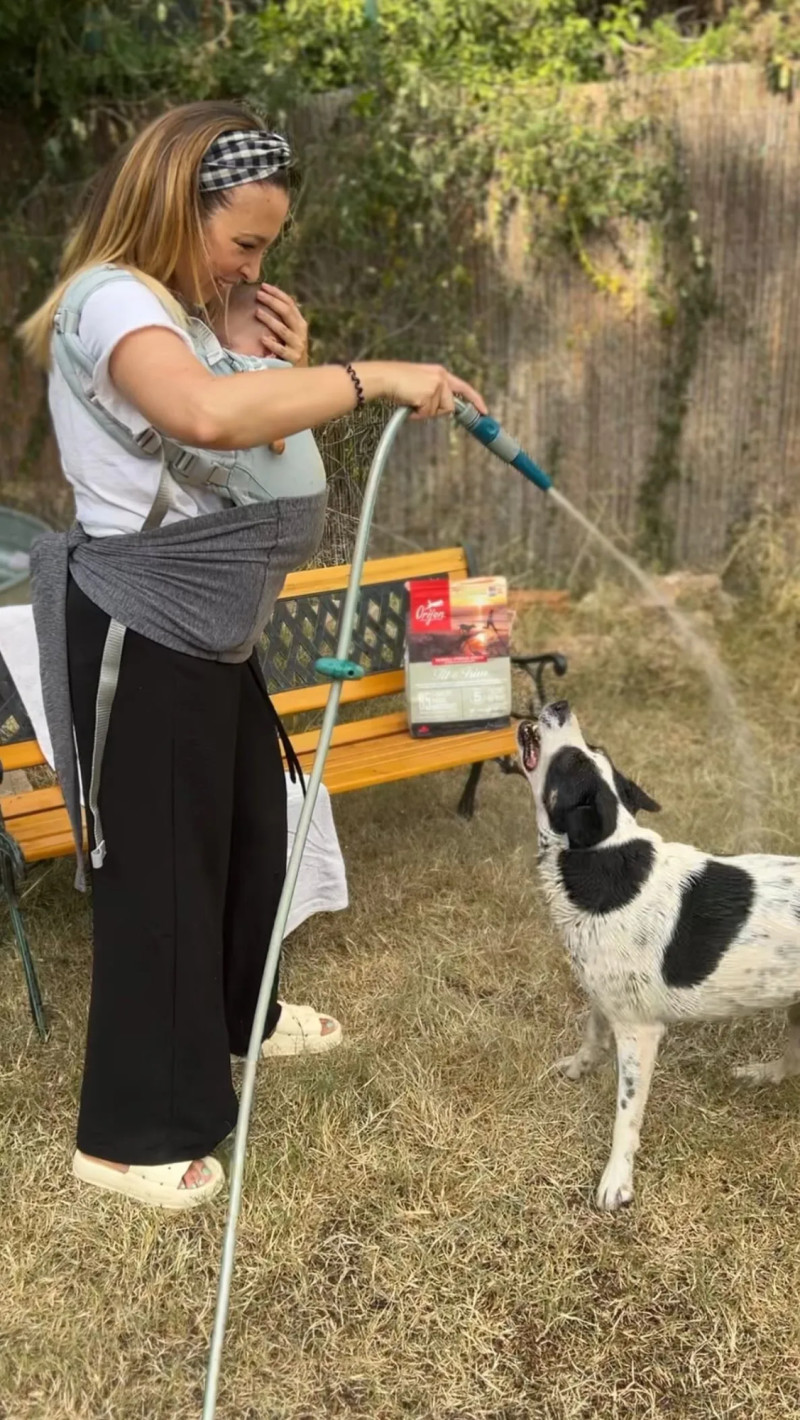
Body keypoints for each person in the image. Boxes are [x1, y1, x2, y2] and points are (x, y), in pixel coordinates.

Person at [19, 99, 486, 1210]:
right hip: (147, 623)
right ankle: (130, 1137)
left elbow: (249, 444)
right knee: (162, 880)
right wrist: (368, 377)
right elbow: (204, 421)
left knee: (245, 832)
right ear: (177, 206)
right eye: (244, 242)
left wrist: (265, 359)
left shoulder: (180, 314)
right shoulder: (112, 300)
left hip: (212, 629)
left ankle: (242, 1014)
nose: (253, 264)